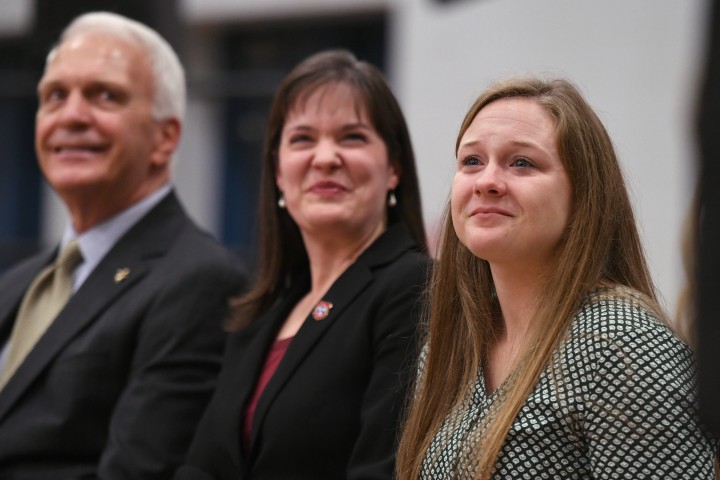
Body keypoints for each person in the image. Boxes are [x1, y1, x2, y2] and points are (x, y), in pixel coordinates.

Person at [396, 77, 719, 479]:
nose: (487, 182)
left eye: (522, 163)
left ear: (583, 194)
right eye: (472, 161)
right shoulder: (451, 345)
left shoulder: (622, 345)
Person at [0, 11, 247, 479]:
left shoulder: (199, 282)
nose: (72, 115)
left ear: (165, 137)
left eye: (104, 95)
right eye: (55, 96)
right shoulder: (18, 286)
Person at [176, 49, 429, 479]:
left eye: (352, 137)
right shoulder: (260, 312)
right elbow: (202, 467)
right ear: (278, 173)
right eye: (302, 139)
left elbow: (383, 469)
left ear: (393, 170)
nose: (325, 157)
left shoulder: (415, 287)